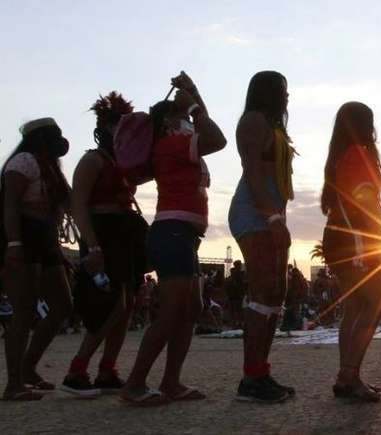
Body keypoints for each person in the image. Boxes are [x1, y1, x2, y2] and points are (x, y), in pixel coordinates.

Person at [120, 72, 226, 405]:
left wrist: (194, 92)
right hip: (173, 233)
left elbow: (204, 127)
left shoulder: (175, 143)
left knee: (190, 308)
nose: (190, 123)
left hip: (182, 235)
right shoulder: (171, 145)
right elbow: (217, 137)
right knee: (172, 312)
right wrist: (192, 104)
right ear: (169, 123)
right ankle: (134, 385)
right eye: (183, 118)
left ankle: (170, 381)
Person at [62, 92, 149, 397]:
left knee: (126, 306)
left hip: (123, 235)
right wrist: (93, 246)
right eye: (117, 125)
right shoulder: (91, 160)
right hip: (102, 234)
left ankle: (107, 370)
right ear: (105, 127)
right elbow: (79, 206)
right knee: (111, 305)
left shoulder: (125, 164)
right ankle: (77, 369)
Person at [227, 70, 295, 403]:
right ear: (267, 92)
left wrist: (278, 217)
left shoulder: (273, 124)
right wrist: (271, 217)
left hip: (271, 212)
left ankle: (261, 372)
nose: (287, 96)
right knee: (262, 290)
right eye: (282, 90)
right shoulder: (253, 121)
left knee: (275, 293)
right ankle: (250, 378)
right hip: (254, 212)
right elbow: (254, 172)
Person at [321, 101, 381, 402]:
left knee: (355, 308)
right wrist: (380, 236)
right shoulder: (358, 155)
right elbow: (362, 202)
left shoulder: (340, 156)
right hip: (356, 239)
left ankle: (348, 375)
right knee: (375, 302)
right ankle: (349, 375)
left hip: (339, 236)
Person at [2, 118, 72, 400]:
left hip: (45, 239)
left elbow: (65, 205)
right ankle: (14, 384)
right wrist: (14, 244)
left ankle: (28, 368)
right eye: (54, 135)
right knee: (23, 310)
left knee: (62, 305)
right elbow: (8, 205)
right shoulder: (23, 162)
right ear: (41, 138)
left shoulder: (51, 168)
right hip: (23, 236)